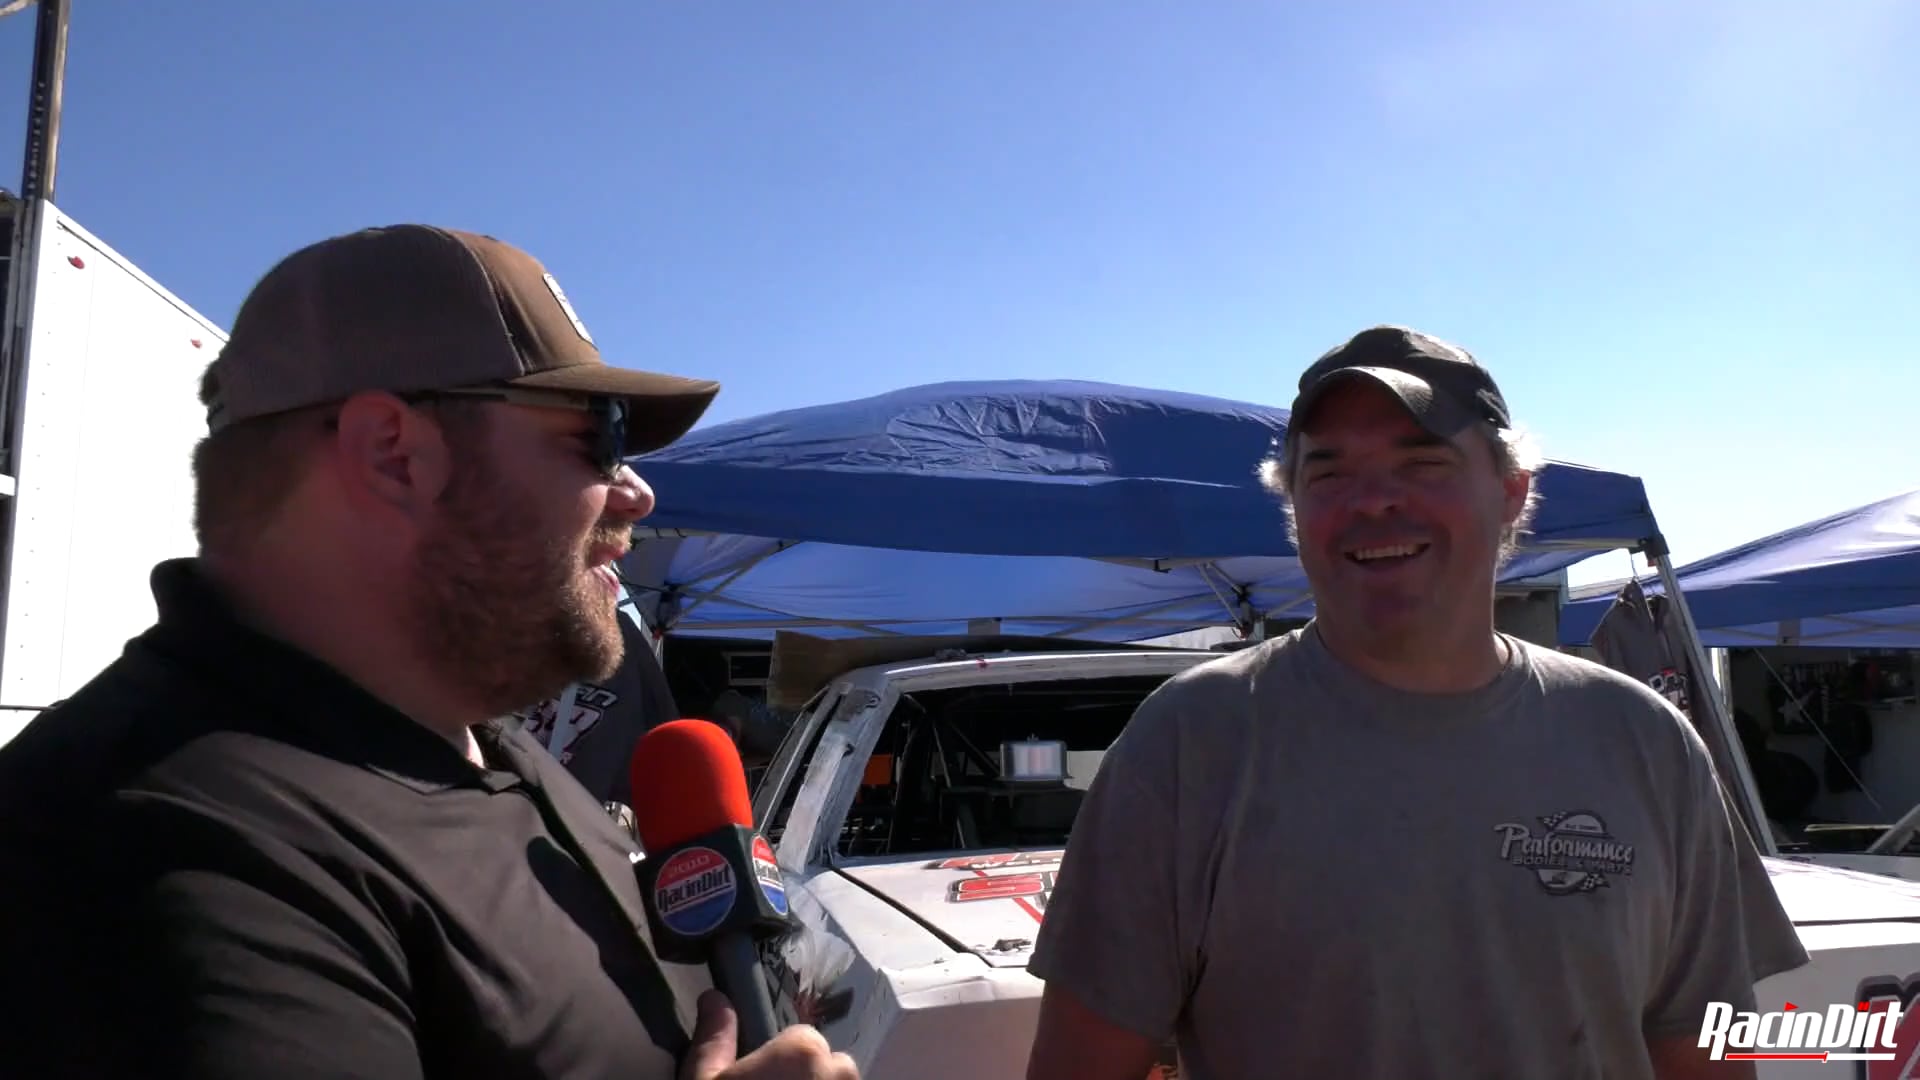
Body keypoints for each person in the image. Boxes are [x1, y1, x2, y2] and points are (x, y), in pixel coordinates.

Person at [0, 224, 857, 1080]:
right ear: (395, 454)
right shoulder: (160, 847)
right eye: (601, 433)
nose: (636, 490)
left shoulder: (473, 738)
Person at [1024, 326, 1809, 1080]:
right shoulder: (1191, 742)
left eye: (1422, 463)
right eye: (1328, 474)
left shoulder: (1645, 740)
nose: (1373, 503)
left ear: (1511, 494)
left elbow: (1703, 1053)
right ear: (1294, 506)